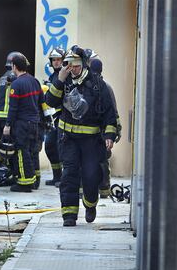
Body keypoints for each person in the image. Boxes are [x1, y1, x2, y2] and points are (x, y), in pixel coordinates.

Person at [46, 45, 117, 226]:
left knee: (91, 176)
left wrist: (109, 135)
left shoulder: (97, 84)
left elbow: (109, 114)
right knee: (69, 175)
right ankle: (69, 215)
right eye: (69, 64)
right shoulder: (64, 80)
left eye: (76, 64)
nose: (73, 68)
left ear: (84, 64)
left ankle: (90, 205)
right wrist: (59, 80)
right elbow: (50, 101)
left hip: (91, 141)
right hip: (68, 138)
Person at [3, 53, 45, 193]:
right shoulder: (35, 81)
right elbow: (41, 102)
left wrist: (8, 125)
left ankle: (24, 183)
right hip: (34, 123)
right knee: (32, 151)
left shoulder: (16, 84)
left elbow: (13, 108)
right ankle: (34, 181)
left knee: (21, 151)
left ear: (14, 66)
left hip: (22, 124)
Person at [89, 57, 122, 198]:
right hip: (103, 130)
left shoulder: (100, 87)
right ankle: (103, 189)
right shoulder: (106, 86)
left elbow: (111, 112)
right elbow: (114, 112)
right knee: (102, 160)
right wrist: (116, 130)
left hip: (100, 130)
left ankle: (102, 189)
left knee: (98, 160)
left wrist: (114, 131)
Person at [43, 48, 65, 187]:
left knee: (62, 148)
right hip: (54, 117)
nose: (56, 62)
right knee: (50, 146)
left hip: (64, 117)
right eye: (54, 60)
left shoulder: (66, 75)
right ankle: (57, 176)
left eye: (59, 60)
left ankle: (64, 178)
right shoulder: (53, 77)